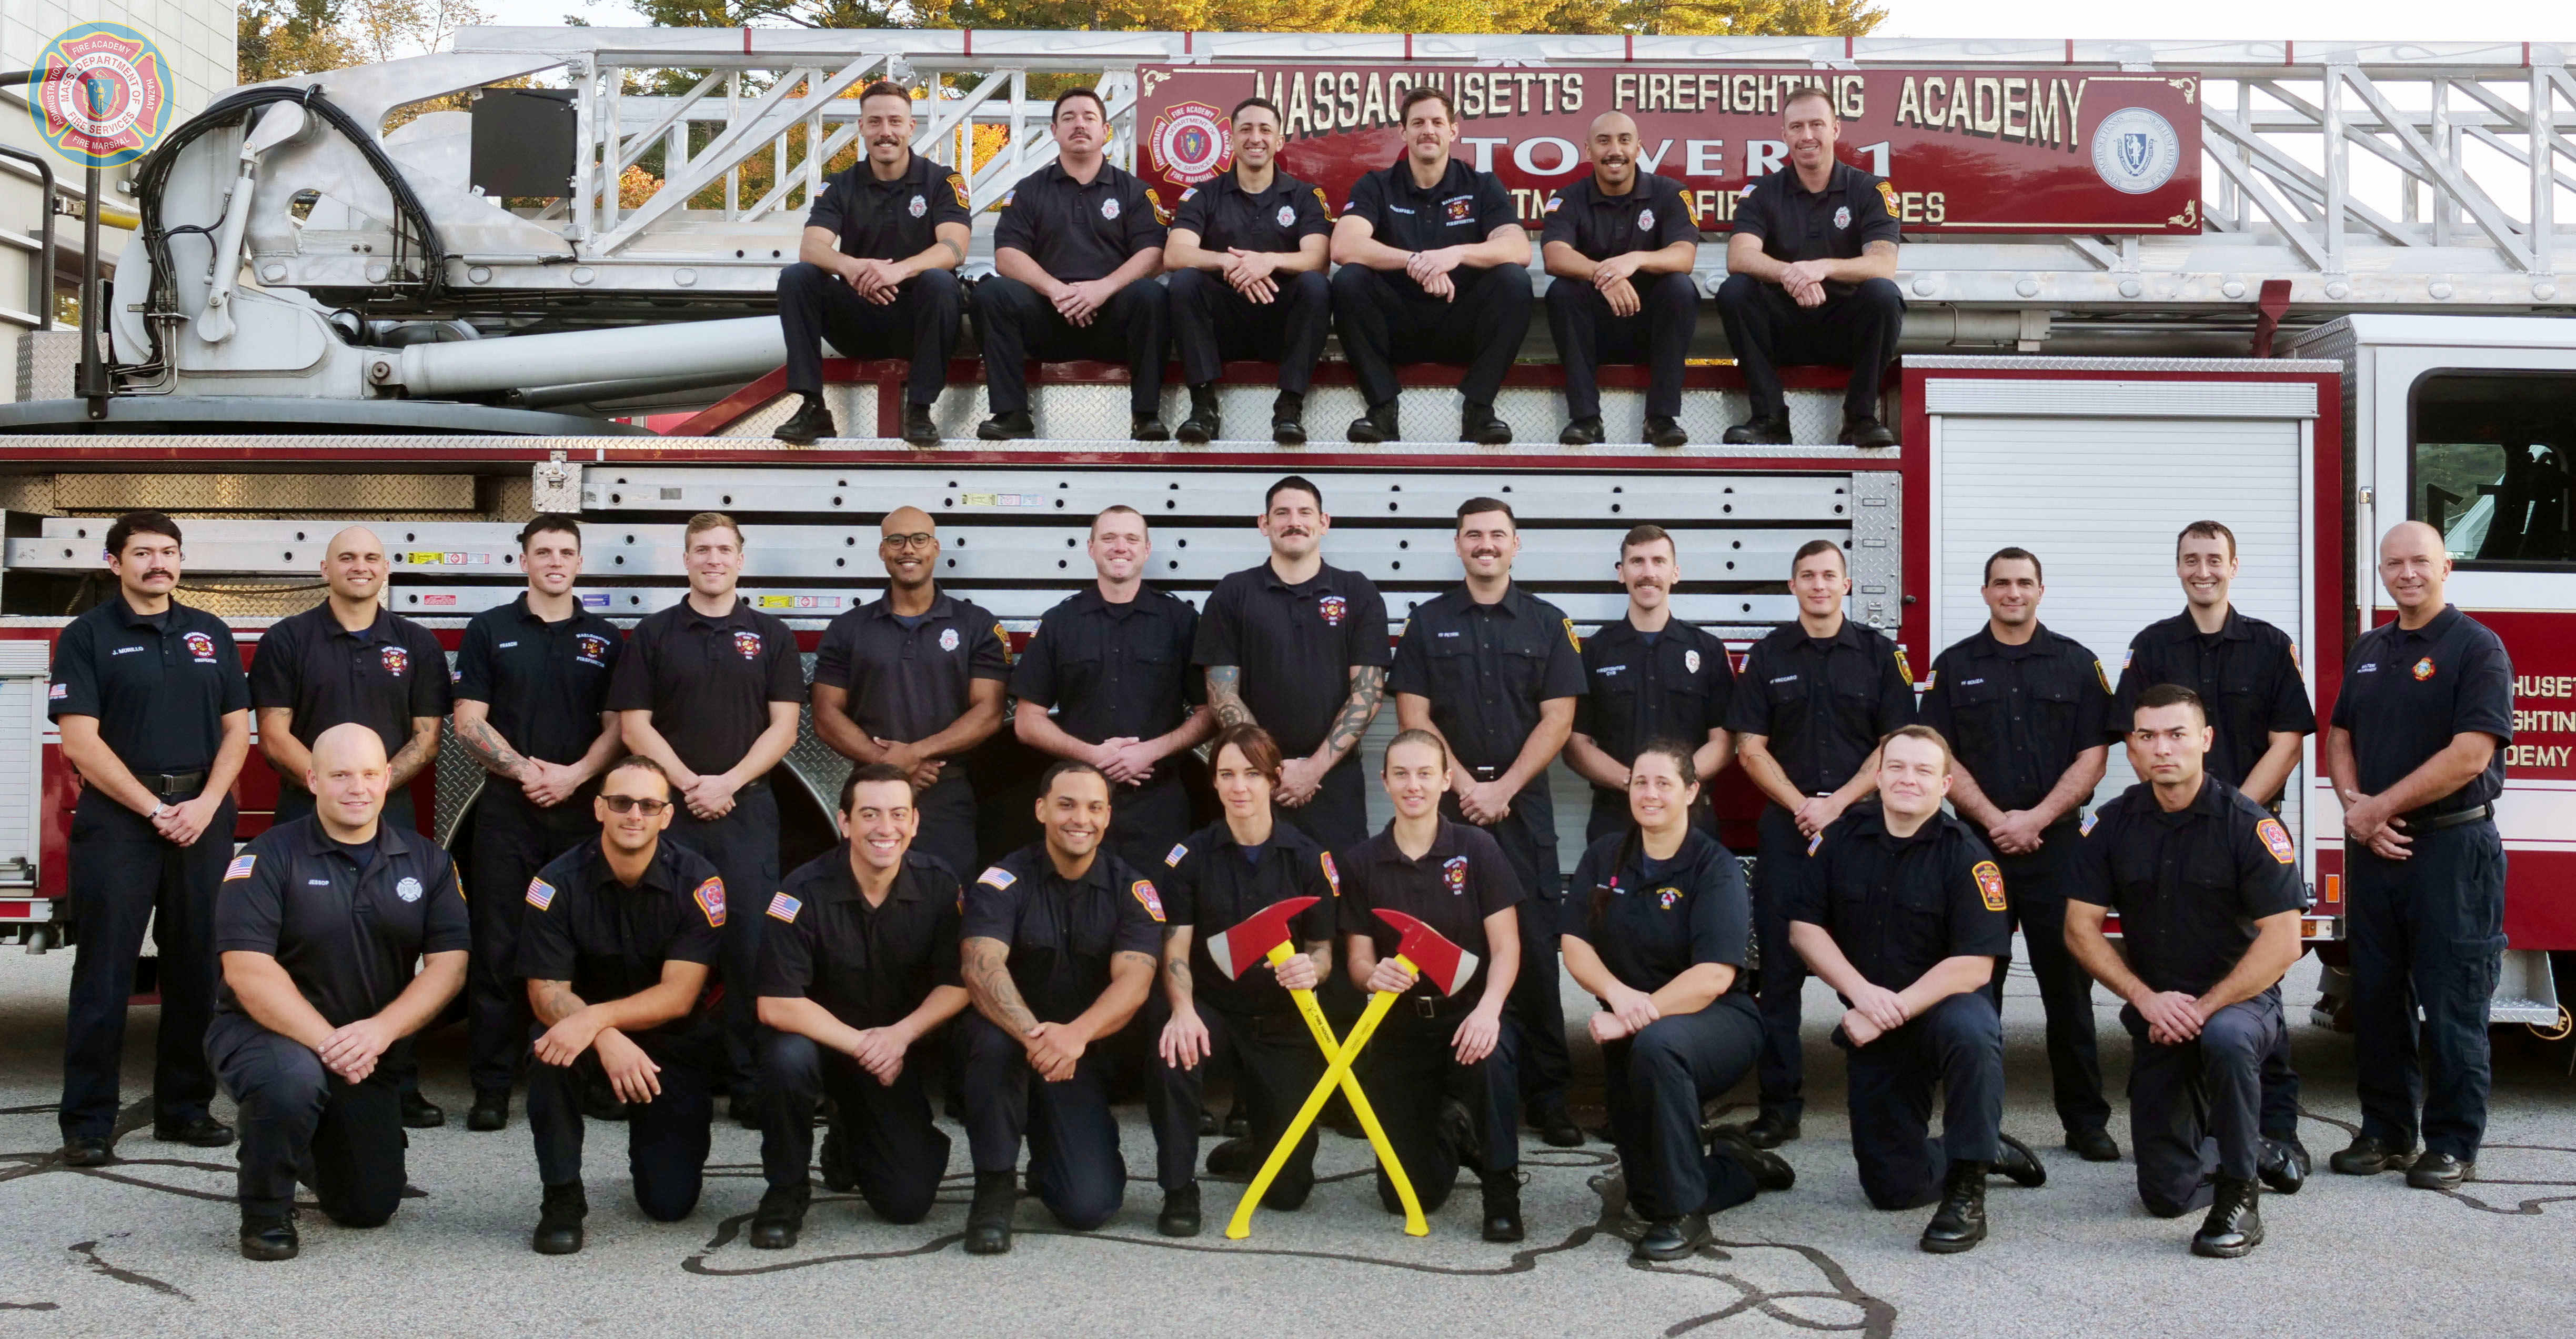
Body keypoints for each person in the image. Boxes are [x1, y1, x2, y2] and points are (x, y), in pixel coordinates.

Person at [206, 723, 468, 1261]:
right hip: (268, 1033)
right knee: (290, 1083)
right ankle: (266, 1210)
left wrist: (380, 1031)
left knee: (367, 1207)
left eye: (370, 774)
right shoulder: (267, 857)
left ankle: (306, 1141)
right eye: (341, 775)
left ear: (388, 778)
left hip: (365, 1046)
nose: (357, 787)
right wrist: (329, 1042)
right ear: (312, 779)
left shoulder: (429, 863)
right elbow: (249, 970)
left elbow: (449, 966)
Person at [1784, 726, 2047, 1254]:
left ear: (1945, 784)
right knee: (1892, 1190)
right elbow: (1803, 929)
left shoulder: (1967, 854)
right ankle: (1976, 1146)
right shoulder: (1839, 840)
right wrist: (1863, 996)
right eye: (1897, 767)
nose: (1908, 779)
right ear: (1877, 776)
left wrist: (1891, 1008)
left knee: (1976, 1031)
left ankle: (1967, 1192)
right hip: (1876, 1016)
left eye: (1924, 771)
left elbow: (1975, 965)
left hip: (1940, 1012)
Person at [2065, 685, 2306, 1257]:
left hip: (2241, 1004)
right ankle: (2254, 1149)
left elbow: (2284, 942)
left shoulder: (2248, 825)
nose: (2162, 749)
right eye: (2147, 737)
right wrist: (2146, 1000)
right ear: (2131, 749)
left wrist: (2202, 1008)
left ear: (2205, 741)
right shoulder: (2113, 824)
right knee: (2165, 1196)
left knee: (2224, 1037)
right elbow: (2079, 928)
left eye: (2177, 735)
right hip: (2160, 1012)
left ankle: (2240, 1196)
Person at [2114, 518, 2319, 1185]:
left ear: (2235, 565)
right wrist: (2188, 803)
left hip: (2246, 832)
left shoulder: (2268, 645)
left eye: (2213, 559)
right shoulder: (2152, 645)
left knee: (2257, 975)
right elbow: (2136, 738)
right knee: (2179, 961)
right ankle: (2199, 1130)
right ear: (2177, 567)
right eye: (2190, 559)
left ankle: (2277, 1137)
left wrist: (2234, 810)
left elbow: (2288, 737)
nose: (2202, 570)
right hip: (2175, 832)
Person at [52, 512, 250, 1165]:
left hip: (203, 814)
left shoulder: (209, 632)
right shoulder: (86, 636)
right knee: (104, 972)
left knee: (197, 970)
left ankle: (185, 1110)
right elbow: (80, 741)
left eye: (168, 552)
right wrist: (153, 808)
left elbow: (235, 731)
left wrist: (205, 805)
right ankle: (86, 1123)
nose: (157, 563)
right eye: (142, 553)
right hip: (119, 819)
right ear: (115, 564)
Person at [1391, 497, 1587, 1150]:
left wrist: (1503, 787)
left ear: (1515, 544)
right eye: (1474, 535)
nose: (1485, 544)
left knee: (1533, 951)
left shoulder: (1548, 622)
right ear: (1458, 544)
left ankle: (1549, 1096)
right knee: (1445, 944)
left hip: (1521, 810)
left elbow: (1559, 718)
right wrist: (1468, 786)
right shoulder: (1428, 622)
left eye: (1497, 535)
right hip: (1445, 810)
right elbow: (1414, 716)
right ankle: (1455, 1086)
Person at [2325, 520, 2514, 1191]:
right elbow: (2340, 731)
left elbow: (2470, 755)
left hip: (2452, 850)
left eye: (2420, 562)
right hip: (2377, 852)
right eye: (2393, 564)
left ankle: (2454, 1142)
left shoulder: (2476, 648)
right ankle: (2386, 1133)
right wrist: (2356, 808)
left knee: (2453, 1000)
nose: (2406, 574)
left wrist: (2376, 809)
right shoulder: (2371, 648)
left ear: (2446, 568)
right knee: (2376, 999)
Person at [1915, 547, 2118, 1162]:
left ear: (2040, 590)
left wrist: (2035, 819)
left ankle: (2085, 1123)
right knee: (1976, 995)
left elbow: (2093, 758)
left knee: (2070, 994)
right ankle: (1972, 1127)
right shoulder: (1954, 667)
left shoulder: (2077, 664)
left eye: (2023, 583)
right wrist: (1997, 821)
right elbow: (1941, 757)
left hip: (2057, 851)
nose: (2012, 593)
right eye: (2001, 584)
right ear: (1985, 593)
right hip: (1979, 854)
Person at [248, 523, 452, 1128]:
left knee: (399, 944)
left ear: (386, 568)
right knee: (306, 941)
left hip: (389, 816)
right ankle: (307, 1063)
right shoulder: (289, 639)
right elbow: (274, 732)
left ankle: (400, 1079)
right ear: (325, 567)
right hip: (304, 816)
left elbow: (428, 736)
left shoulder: (416, 642)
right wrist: (330, 786)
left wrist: (370, 790)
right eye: (347, 557)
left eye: (371, 557)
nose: (359, 566)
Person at [607, 512, 805, 1123]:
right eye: (701, 550)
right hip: (671, 814)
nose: (713, 559)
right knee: (654, 943)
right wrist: (689, 785)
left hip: (746, 815)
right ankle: (645, 1075)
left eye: (723, 549)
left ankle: (748, 1081)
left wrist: (728, 783)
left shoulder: (771, 636)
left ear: (741, 559)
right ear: (686, 559)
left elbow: (785, 727)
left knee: (749, 948)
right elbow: (633, 725)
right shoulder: (656, 634)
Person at [1561, 741, 1790, 1262]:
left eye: (1664, 783)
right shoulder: (1605, 855)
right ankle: (1736, 1166)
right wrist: (1616, 995)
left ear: (1691, 792)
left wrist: (1634, 1017)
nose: (1650, 793)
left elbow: (1713, 976)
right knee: (1644, 1194)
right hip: (1633, 1025)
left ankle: (1687, 1216)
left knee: (1660, 1045)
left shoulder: (1715, 866)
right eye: (1640, 782)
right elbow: (1573, 942)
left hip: (1718, 1020)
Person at [1720, 539, 1916, 1148]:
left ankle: (1885, 1100)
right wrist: (1803, 804)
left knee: (1876, 962)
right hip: (1789, 830)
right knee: (1779, 973)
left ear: (1848, 584)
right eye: (1808, 576)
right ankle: (1780, 1106)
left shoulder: (1881, 657)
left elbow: (1895, 745)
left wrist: (1838, 802)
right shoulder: (1768, 655)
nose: (1819, 585)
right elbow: (1749, 746)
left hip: (1863, 830)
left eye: (1830, 575)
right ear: (1793, 586)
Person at [450, 515, 627, 1134]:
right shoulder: (489, 629)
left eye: (567, 552)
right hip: (507, 812)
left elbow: (618, 727)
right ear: (522, 559)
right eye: (543, 551)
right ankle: (493, 1087)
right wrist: (528, 772)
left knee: (591, 948)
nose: (555, 560)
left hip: (582, 814)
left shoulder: (605, 638)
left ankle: (589, 1079)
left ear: (580, 563)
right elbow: (468, 719)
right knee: (498, 946)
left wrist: (575, 776)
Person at [751, 763, 970, 1249]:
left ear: (915, 822)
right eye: (869, 814)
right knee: (785, 1059)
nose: (884, 828)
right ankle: (785, 1190)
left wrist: (899, 1037)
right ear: (845, 822)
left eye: (897, 814)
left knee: (906, 1204)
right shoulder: (801, 891)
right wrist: (865, 1046)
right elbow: (776, 1002)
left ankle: (851, 1138)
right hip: (823, 1049)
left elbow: (960, 983)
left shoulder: (940, 885)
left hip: (895, 1053)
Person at [517, 756, 726, 1254]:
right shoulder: (555, 884)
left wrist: (598, 1018)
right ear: (599, 809)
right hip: (586, 1041)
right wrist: (603, 1036)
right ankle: (562, 1198)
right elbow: (545, 993)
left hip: (668, 1045)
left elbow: (679, 996)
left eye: (649, 805)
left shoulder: (698, 882)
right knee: (548, 1050)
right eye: (621, 803)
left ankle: (651, 1138)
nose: (634, 814)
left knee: (669, 1203)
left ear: (666, 816)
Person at [957, 762, 1162, 1253]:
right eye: (1067, 804)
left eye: (1094, 808)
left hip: (1078, 1056)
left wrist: (1075, 1037)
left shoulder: (1131, 889)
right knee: (988, 1043)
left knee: (1087, 1207)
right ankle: (993, 1187)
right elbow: (979, 967)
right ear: (1041, 809)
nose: (1081, 819)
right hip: (1010, 1042)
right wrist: (1036, 1037)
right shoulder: (1003, 880)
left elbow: (1135, 982)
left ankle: (1049, 1160)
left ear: (1108, 817)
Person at [1143, 725, 1339, 1237]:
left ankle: (1260, 1146)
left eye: (1252, 774)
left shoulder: (1308, 858)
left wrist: (1310, 968)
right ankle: (1179, 1187)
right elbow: (1176, 947)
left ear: (1274, 779)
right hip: (1214, 1009)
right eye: (1227, 774)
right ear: (1214, 783)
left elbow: (1323, 951)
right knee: (1171, 1039)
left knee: (1289, 1190)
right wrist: (1183, 1010)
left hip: (1280, 1017)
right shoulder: (1190, 858)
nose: (1239, 787)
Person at [1339, 730, 1525, 1240]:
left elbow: (1507, 948)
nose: (1413, 785)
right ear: (1384, 781)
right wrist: (1372, 976)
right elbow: (1357, 960)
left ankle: (1502, 1189)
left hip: (1469, 1014)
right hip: (1401, 1028)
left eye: (1425, 773)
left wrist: (1489, 1010)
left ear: (1446, 780)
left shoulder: (1477, 849)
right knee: (1404, 1198)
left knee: (1491, 1060)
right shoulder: (1360, 863)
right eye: (1401, 774)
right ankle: (1451, 1126)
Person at [811, 505, 1010, 882]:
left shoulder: (976, 625)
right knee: (864, 899)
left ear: (935, 548)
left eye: (919, 539)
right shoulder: (848, 628)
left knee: (950, 906)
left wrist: (914, 755)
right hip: (869, 794)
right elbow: (825, 715)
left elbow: (989, 712)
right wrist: (888, 766)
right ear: (882, 551)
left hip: (944, 792)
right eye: (896, 540)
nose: (908, 550)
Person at [1328, 85, 1534, 445]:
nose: (1429, 130)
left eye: (1438, 121)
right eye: (1418, 122)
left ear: (1453, 131)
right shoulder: (1376, 185)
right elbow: (1345, 245)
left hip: (1460, 325)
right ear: (1403, 131)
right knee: (1349, 279)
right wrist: (1415, 262)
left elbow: (1518, 247)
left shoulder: (1481, 185)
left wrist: (1455, 254)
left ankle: (1479, 409)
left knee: (1514, 280)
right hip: (1397, 327)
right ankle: (1382, 408)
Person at [1194, 475, 1390, 852]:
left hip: (1335, 782)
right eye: (1281, 513)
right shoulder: (1232, 593)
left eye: (1305, 512)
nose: (1294, 521)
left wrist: (1313, 769)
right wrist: (1270, 771)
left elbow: (1367, 693)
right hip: (1252, 784)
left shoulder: (1357, 591)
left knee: (1336, 898)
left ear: (1324, 522)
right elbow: (1223, 696)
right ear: (1264, 524)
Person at [1013, 505, 1212, 874]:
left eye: (1131, 539)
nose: (1120, 547)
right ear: (1090, 548)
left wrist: (1151, 751)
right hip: (1078, 809)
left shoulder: (1181, 622)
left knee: (1159, 918)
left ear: (1147, 550)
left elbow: (1209, 713)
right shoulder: (1061, 622)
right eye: (1109, 538)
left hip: (1158, 807)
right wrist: (1093, 756)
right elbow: (1027, 721)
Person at [773, 79, 971, 446]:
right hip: (861, 319)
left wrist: (898, 270)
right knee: (797, 277)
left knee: (941, 282)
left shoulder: (942, 181)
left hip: (921, 323)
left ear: (911, 127)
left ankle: (920, 409)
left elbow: (955, 247)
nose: (886, 132)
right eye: (875, 122)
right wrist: (851, 267)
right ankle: (812, 406)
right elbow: (811, 247)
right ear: (862, 128)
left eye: (895, 122)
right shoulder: (840, 185)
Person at [975, 87, 1172, 442]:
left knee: (1150, 295)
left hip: (1113, 321)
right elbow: (1007, 255)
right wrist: (1057, 291)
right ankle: (1011, 414)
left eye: (1089, 118)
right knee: (993, 294)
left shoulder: (1135, 191)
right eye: (1068, 118)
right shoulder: (1029, 191)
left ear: (1105, 131)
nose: (1079, 125)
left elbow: (1155, 255)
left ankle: (1145, 416)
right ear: (1054, 131)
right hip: (1048, 318)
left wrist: (1102, 289)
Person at [1715, 85, 1904, 448]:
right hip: (1783, 330)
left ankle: (1860, 418)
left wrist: (1821, 268)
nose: (1807, 136)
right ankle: (1769, 419)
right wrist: (1790, 274)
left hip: (1845, 332)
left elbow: (1883, 263)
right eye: (1797, 127)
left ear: (1835, 129)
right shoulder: (1761, 192)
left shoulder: (1870, 190)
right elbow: (1740, 256)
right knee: (1735, 290)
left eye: (1817, 125)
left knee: (1883, 294)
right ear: (1783, 134)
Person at [1162, 96, 1333, 445]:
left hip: (1281, 326)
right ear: (1231, 138)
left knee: (1316, 286)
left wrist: (1268, 261)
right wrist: (1226, 262)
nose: (1256, 137)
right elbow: (1175, 253)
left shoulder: (1305, 196)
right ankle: (1203, 407)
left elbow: (1318, 258)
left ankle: (1289, 407)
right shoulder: (1201, 195)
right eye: (1246, 129)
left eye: (1265, 130)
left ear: (1280, 140)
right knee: (1184, 281)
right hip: (1222, 327)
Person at [1563, 524, 1736, 844]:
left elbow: (1724, 742)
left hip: (1692, 818)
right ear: (1621, 573)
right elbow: (1575, 745)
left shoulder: (1707, 650)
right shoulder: (1593, 653)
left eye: (1659, 561)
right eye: (1637, 561)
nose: (1648, 572)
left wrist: (1675, 784)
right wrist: (1637, 784)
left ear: (1675, 573)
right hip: (1615, 820)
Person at [1541, 111, 1704, 447]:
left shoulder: (1669, 194)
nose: (1615, 150)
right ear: (1588, 151)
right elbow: (1555, 255)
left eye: (1624, 140)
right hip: (1594, 333)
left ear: (1639, 148)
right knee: (1562, 291)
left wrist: (1635, 260)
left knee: (1680, 287)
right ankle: (1585, 420)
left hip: (1651, 331)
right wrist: (1604, 276)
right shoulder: (1569, 198)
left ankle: (1661, 419)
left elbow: (1684, 257)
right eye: (1604, 141)